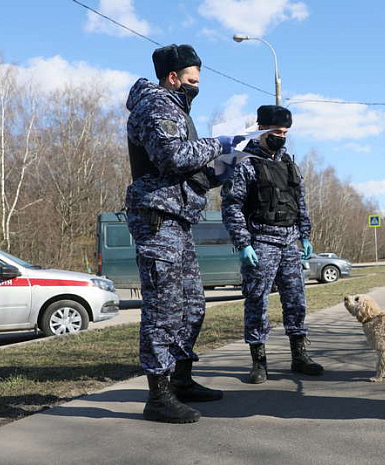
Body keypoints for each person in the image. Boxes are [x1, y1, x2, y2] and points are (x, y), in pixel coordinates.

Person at [126, 44, 244, 423]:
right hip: (158, 217)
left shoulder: (175, 109)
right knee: (164, 309)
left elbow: (184, 172)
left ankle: (181, 379)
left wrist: (221, 170)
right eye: (192, 81)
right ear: (173, 76)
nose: (197, 87)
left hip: (178, 218)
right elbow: (172, 157)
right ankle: (158, 397)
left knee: (192, 306)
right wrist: (220, 143)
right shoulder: (156, 104)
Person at [221, 105, 323, 384]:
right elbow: (232, 206)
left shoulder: (289, 163)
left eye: (286, 132)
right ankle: (259, 361)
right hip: (262, 240)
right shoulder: (246, 163)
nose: (282, 137)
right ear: (262, 129)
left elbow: (300, 201)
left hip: (290, 240)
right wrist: (243, 243)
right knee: (257, 300)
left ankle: (299, 355)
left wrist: (305, 234)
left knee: (296, 299)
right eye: (277, 132)